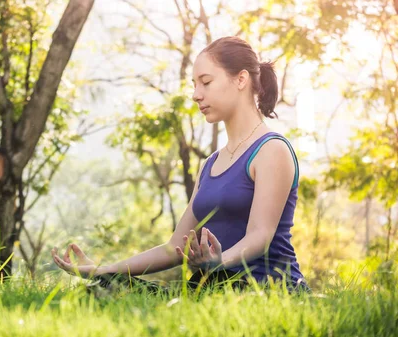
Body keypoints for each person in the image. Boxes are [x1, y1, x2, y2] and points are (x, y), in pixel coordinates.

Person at [51, 36, 309, 294]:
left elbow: (260, 236)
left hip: (268, 290)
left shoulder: (271, 149)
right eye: (194, 85)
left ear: (241, 80)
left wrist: (219, 262)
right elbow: (173, 247)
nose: (196, 95)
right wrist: (103, 270)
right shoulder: (212, 164)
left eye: (206, 82)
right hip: (214, 288)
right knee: (103, 288)